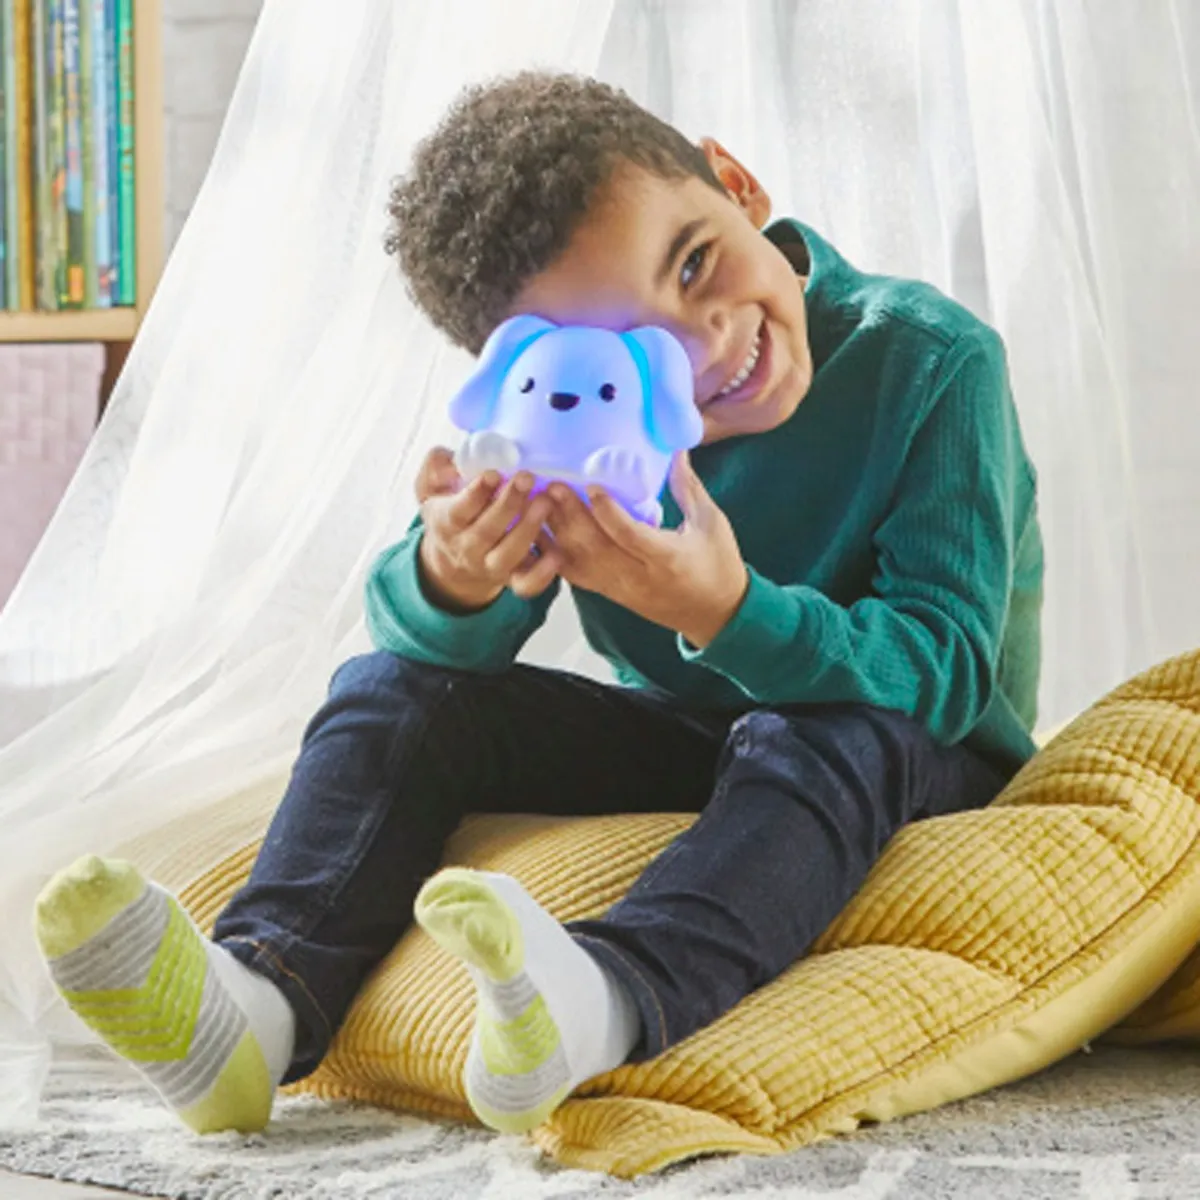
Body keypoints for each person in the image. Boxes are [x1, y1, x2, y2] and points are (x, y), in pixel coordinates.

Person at [32, 70, 1043, 1139]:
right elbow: (430, 639)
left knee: (831, 731)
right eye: (631, 355)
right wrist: (459, 571)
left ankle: (605, 999)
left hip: (918, 753)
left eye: (694, 262)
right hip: (703, 740)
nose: (703, 344)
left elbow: (947, 666)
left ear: (736, 184)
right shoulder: (587, 427)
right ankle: (260, 1004)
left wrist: (728, 608)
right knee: (394, 689)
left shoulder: (930, 358)